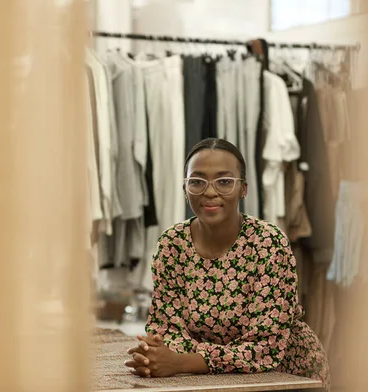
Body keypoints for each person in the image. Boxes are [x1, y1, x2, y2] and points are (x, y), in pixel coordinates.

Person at [124, 138, 329, 387]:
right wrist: (160, 355)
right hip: (206, 379)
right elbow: (167, 331)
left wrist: (181, 362)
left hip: (285, 375)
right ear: (185, 188)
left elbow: (264, 349)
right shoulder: (171, 245)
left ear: (244, 188)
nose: (210, 191)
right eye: (197, 181)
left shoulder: (269, 243)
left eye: (224, 181)